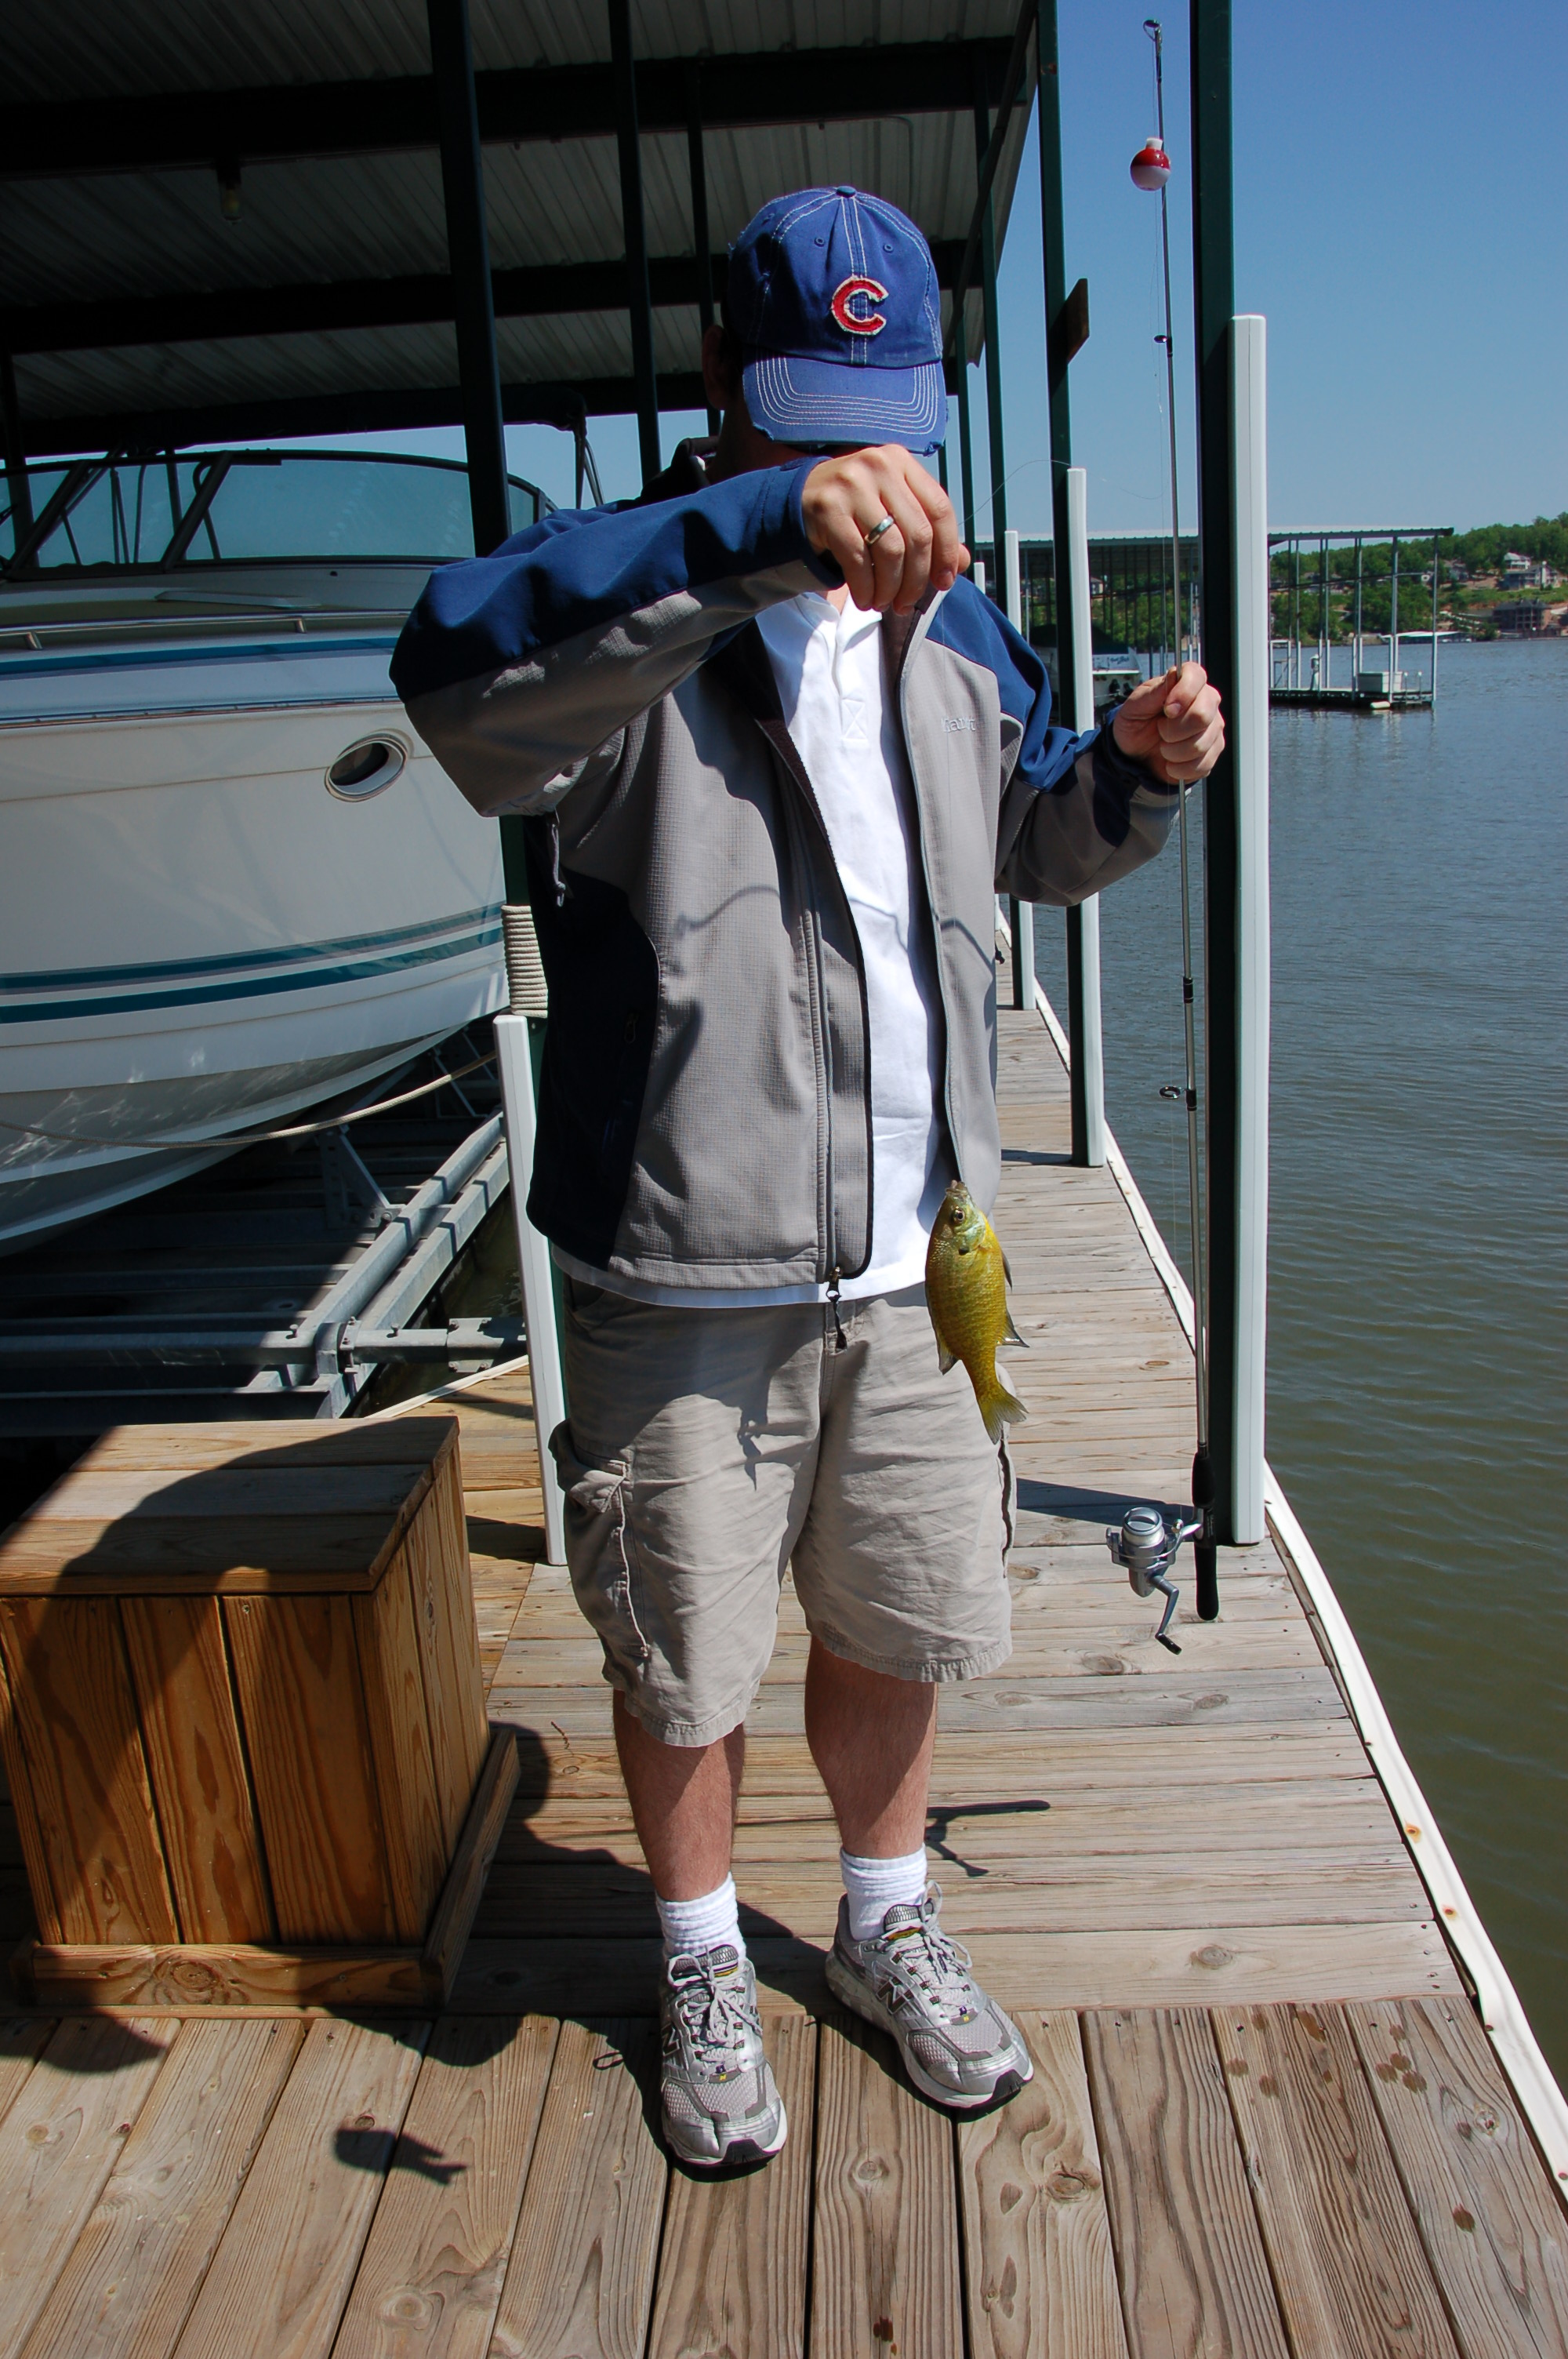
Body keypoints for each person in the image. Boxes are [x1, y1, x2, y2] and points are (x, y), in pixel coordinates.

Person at [393, 185, 1224, 2169]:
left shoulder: (956, 620)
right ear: (722, 386)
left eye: (884, 422)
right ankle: (697, 1950)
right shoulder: (632, 613)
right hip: (682, 1265)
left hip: (921, 1258)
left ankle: (882, 1916)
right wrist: (756, 530)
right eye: (809, 422)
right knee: (682, 1646)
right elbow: (453, 677)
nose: (864, 466)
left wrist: (1131, 769)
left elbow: (1030, 836)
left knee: (895, 1615)